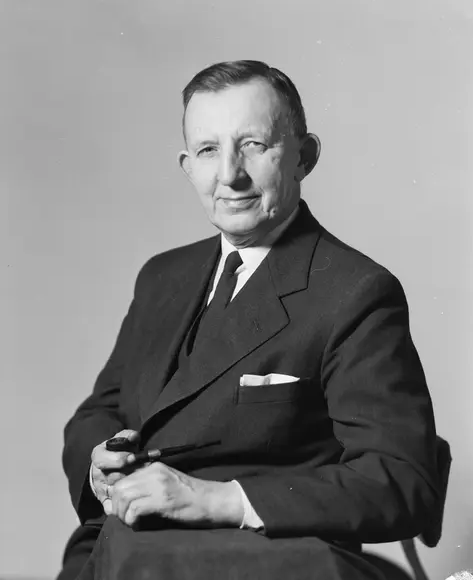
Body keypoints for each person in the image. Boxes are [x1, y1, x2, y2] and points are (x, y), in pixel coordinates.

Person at [57, 60, 441, 580]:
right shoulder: (162, 276)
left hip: (263, 561)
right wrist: (100, 464)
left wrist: (218, 500)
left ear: (305, 157)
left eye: (254, 145)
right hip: (121, 548)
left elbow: (402, 480)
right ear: (187, 166)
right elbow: (100, 410)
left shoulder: (356, 292)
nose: (229, 175)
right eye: (208, 150)